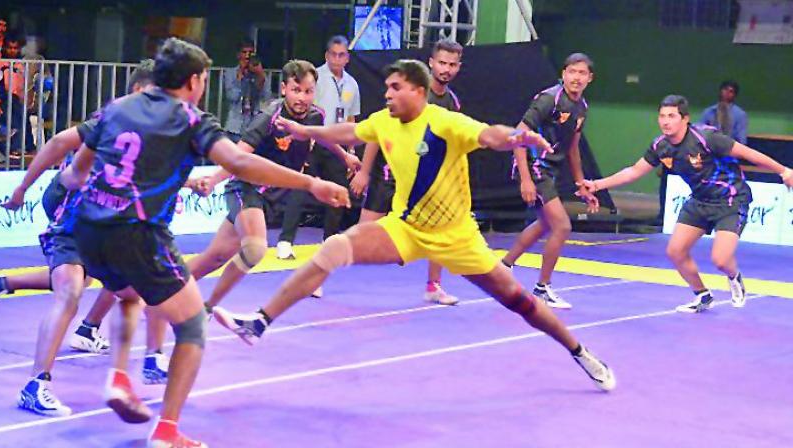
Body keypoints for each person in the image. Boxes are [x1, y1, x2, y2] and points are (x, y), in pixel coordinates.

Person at [213, 59, 616, 393]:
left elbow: (491, 135)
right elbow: (349, 132)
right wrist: (305, 131)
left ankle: (579, 350)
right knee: (333, 248)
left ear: (418, 92)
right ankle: (260, 322)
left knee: (520, 302)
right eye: (386, 87)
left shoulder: (445, 122)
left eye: (394, 87)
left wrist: (519, 139)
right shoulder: (384, 121)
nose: (386, 94)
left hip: (458, 238)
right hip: (405, 228)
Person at [59, 37, 348, 447]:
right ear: (195, 81)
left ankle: (119, 376)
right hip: (138, 232)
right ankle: (167, 432)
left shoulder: (117, 109)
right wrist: (313, 182)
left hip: (88, 227)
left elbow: (77, 171)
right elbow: (241, 162)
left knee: (129, 293)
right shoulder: (190, 118)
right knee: (193, 325)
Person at [0, 60, 171, 418]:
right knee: (71, 287)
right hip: (71, 212)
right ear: (138, 91)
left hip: (105, 227)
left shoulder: (154, 131)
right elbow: (60, 141)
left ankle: (151, 358)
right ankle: (36, 385)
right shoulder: (114, 118)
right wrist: (20, 189)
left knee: (144, 286)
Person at [581, 95, 793, 313]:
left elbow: (749, 154)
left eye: (671, 116)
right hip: (700, 201)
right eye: (662, 116)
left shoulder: (707, 138)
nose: (665, 121)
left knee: (720, 259)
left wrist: (783, 171)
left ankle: (734, 276)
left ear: (685, 119)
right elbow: (634, 171)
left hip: (730, 199)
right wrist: (597, 184)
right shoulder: (660, 147)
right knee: (675, 251)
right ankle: (702, 295)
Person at [184, 59, 360, 313]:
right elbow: (237, 157)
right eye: (296, 90)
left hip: (273, 196)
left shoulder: (315, 116)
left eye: (308, 91)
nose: (302, 97)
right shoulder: (268, 119)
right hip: (245, 189)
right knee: (255, 249)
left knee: (216, 256)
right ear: (284, 90)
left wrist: (346, 156)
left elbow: (321, 136)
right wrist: (212, 180)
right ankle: (207, 309)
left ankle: (161, 294)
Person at [350, 38, 465, 306]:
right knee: (362, 234)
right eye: (442, 63)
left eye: (452, 64)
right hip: (391, 176)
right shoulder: (410, 93)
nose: (446, 69)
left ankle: (433, 286)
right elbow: (376, 132)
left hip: (425, 183)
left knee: (441, 229)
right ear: (431, 63)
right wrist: (365, 172)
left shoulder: (452, 102)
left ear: (459, 67)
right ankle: (322, 273)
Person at [500, 53, 599, 310]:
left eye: (582, 73)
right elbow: (518, 135)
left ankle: (503, 266)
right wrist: (525, 180)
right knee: (562, 227)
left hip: (550, 169)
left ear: (590, 78)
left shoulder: (582, 108)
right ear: (564, 74)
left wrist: (581, 184)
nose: (576, 77)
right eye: (572, 72)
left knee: (545, 224)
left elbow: (574, 148)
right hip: (534, 166)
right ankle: (542, 288)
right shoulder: (549, 99)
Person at [275, 35, 361, 270]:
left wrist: (350, 149)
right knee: (299, 186)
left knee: (339, 190)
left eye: (341, 54)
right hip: (311, 140)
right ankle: (285, 241)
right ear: (326, 55)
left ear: (347, 57)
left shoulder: (352, 84)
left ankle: (329, 240)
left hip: (336, 143)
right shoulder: (315, 77)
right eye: (333, 54)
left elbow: (352, 117)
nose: (337, 58)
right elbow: (304, 109)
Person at [223, 39, 269, 142]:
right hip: (235, 126)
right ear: (238, 55)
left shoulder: (260, 74)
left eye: (250, 53)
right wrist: (239, 79)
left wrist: (260, 75)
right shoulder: (230, 73)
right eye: (244, 52)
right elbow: (231, 97)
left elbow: (266, 97)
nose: (247, 56)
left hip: (254, 125)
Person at [700, 80, 747, 144]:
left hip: (730, 150)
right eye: (725, 89)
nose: (727, 93)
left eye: (731, 91)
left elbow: (741, 140)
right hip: (709, 148)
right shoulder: (708, 112)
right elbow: (700, 132)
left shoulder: (740, 115)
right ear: (720, 91)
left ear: (735, 95)